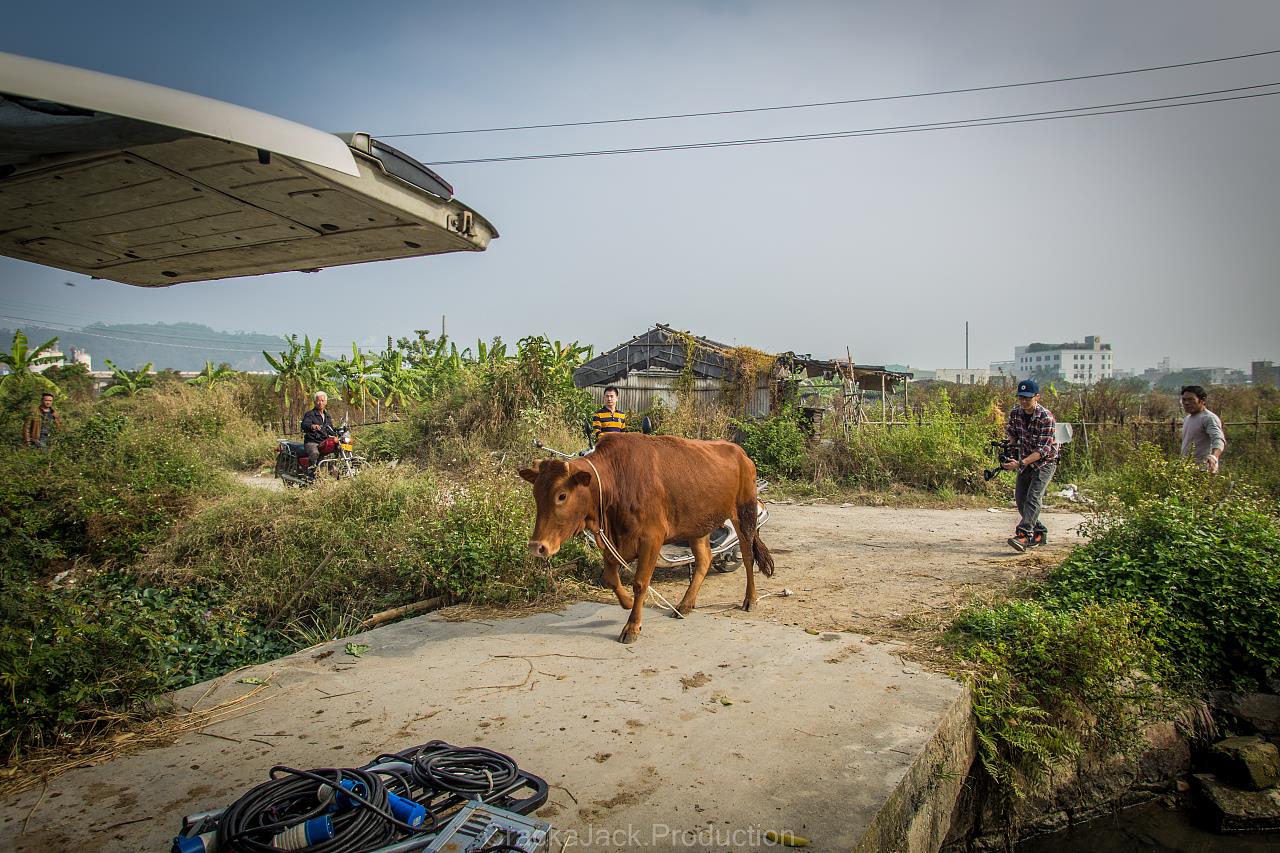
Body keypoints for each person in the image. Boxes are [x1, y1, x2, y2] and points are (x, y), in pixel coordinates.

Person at [1002, 379, 1059, 552]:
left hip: (1045, 462)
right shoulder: (1015, 413)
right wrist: (1008, 450)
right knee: (1020, 500)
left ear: (1037, 397)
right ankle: (1039, 531)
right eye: (1021, 397)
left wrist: (1019, 463)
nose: (1024, 401)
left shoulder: (1046, 418)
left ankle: (1024, 535)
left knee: (1033, 497)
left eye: (1028, 398)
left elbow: (1042, 451)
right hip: (1026, 459)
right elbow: (1012, 435)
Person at [1180, 385, 1225, 474]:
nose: (1186, 403)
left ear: (1202, 400)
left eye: (1191, 400)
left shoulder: (1208, 418)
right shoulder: (1188, 418)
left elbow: (1219, 439)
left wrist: (1214, 457)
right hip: (1187, 470)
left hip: (1203, 470)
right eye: (1184, 400)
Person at [301, 391, 336, 473]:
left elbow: (330, 429)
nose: (320, 403)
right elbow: (304, 424)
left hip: (323, 441)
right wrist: (312, 426)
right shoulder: (310, 414)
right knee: (314, 452)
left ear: (326, 402)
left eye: (322, 401)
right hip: (312, 442)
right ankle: (311, 472)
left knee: (338, 448)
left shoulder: (327, 416)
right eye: (318, 401)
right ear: (314, 402)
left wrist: (336, 433)